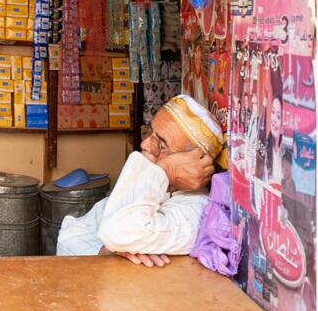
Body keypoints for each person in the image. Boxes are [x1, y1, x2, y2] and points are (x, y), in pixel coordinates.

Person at [56, 94, 226, 267]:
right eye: (150, 132)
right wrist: (104, 252)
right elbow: (69, 235)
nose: (145, 144)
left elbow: (117, 232)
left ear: (195, 163)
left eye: (161, 144)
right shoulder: (152, 187)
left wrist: (167, 170)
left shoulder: (195, 212)